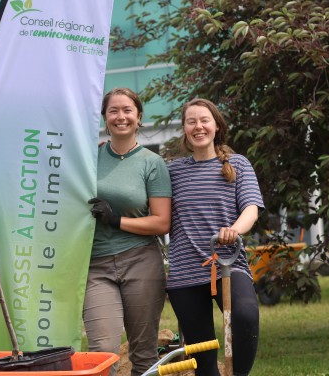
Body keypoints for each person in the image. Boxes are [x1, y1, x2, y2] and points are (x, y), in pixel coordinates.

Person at [166, 98, 263, 376]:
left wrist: (234, 229)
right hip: (185, 272)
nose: (198, 127)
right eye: (191, 121)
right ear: (184, 129)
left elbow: (251, 209)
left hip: (228, 266)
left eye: (204, 120)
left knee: (245, 316)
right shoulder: (173, 172)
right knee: (203, 357)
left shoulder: (238, 164)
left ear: (216, 126)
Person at [86, 87, 172, 376]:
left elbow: (161, 222)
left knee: (144, 353)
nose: (120, 117)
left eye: (127, 110)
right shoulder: (89, 158)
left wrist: (116, 220)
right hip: (95, 266)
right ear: (104, 117)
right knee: (101, 354)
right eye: (113, 111)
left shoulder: (152, 163)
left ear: (138, 117)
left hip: (141, 262)